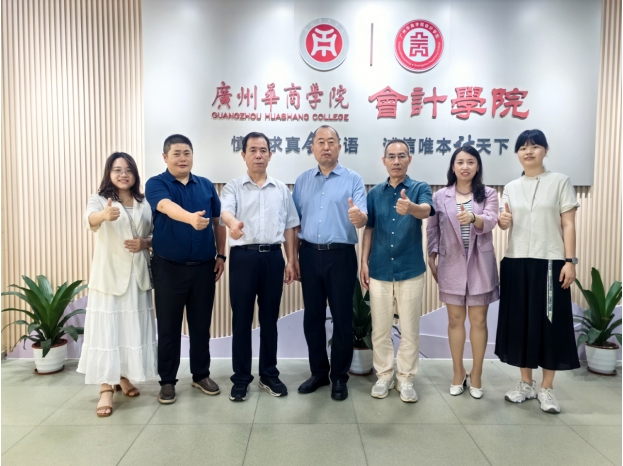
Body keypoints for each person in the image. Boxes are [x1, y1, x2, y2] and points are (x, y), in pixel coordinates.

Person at [495, 129, 580, 414]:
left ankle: (547, 388)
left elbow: (568, 223)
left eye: (534, 146)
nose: (528, 151)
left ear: (545, 150)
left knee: (550, 324)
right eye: (523, 147)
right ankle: (525, 384)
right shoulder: (510, 187)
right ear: (517, 153)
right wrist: (503, 221)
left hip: (550, 262)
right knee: (520, 323)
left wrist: (570, 261)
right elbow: (505, 223)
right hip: (516, 261)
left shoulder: (560, 181)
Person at [145, 134, 227, 404]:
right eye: (176, 153)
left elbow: (218, 222)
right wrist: (190, 218)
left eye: (187, 153)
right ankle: (167, 381)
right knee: (168, 327)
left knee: (201, 326)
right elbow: (165, 207)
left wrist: (221, 255)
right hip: (168, 268)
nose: (182, 158)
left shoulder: (205, 185)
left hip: (204, 268)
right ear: (165, 157)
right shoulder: (156, 183)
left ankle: (201, 374)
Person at [220, 132, 300, 402]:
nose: (258, 155)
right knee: (241, 320)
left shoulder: (281, 189)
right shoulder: (233, 188)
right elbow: (226, 212)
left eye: (263, 150)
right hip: (243, 258)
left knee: (269, 319)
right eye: (252, 150)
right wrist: (233, 224)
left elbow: (290, 226)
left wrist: (291, 260)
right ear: (243, 155)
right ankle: (241, 378)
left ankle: (269, 374)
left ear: (270, 154)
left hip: (273, 258)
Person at [79, 152, 157, 417]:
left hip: (138, 276)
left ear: (135, 174)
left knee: (128, 328)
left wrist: (145, 243)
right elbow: (89, 220)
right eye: (117, 170)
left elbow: (154, 235)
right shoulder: (99, 199)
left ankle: (123, 376)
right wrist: (103, 215)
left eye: (128, 170)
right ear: (109, 173)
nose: (123, 174)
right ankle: (105, 388)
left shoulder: (144, 202)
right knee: (107, 330)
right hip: (110, 275)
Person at [292, 125, 367, 401]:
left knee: (342, 318)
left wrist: (358, 217)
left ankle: (339, 377)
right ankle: (319, 373)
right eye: (320, 142)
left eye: (331, 141)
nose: (326, 146)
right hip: (309, 254)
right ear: (312, 148)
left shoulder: (353, 179)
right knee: (312, 318)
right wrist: (293, 258)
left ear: (339, 147)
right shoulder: (302, 181)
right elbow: (294, 223)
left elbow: (362, 216)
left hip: (341, 255)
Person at [361, 140, 434, 403]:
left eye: (401, 156)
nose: (396, 161)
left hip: (409, 270)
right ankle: (384, 376)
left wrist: (410, 208)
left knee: (409, 329)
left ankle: (406, 379)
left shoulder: (420, 188)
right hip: (379, 269)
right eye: (391, 156)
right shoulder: (374, 193)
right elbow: (369, 228)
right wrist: (363, 262)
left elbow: (426, 211)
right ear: (384, 161)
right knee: (380, 329)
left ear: (409, 159)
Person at [426, 145, 500, 399]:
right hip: (451, 263)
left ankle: (476, 374)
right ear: (453, 167)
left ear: (477, 166)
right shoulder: (440, 196)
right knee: (455, 320)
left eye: (470, 162)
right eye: (460, 162)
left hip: (480, 264)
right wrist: (431, 256)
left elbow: (491, 219)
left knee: (478, 321)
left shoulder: (488, 194)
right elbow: (432, 229)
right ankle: (458, 372)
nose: (465, 166)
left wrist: (473, 218)